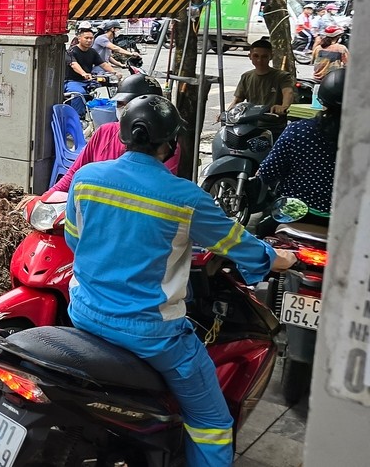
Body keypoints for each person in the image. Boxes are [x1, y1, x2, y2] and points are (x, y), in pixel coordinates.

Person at [66, 96, 296, 467]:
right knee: (212, 422)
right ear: (172, 144)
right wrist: (278, 258)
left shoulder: (87, 178)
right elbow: (238, 244)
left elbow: (76, 241)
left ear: (123, 135)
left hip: (84, 314)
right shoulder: (185, 198)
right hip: (151, 334)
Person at [48, 73, 179, 193]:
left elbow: (156, 189)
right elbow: (72, 174)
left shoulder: (165, 146)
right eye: (119, 104)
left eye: (126, 105)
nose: (120, 109)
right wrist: (44, 199)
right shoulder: (104, 132)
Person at [257, 69, 344, 231]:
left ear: (322, 100)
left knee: (262, 235)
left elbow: (268, 172)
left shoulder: (298, 130)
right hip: (344, 220)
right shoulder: (362, 141)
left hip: (294, 212)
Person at [225, 39, 295, 134]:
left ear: (271, 57)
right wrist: (227, 114)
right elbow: (237, 100)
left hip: (274, 126)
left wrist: (283, 106)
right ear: (250, 56)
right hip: (250, 124)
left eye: (264, 56)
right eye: (256, 56)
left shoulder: (282, 76)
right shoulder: (246, 76)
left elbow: (288, 92)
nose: (259, 60)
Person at [65, 26, 115, 119]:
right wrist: (83, 73)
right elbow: (74, 64)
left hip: (88, 80)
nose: (89, 40)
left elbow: (103, 64)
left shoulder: (92, 52)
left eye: (91, 38)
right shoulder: (71, 51)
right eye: (86, 38)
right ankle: (78, 118)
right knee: (79, 93)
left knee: (103, 90)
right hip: (72, 81)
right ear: (79, 39)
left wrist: (114, 73)